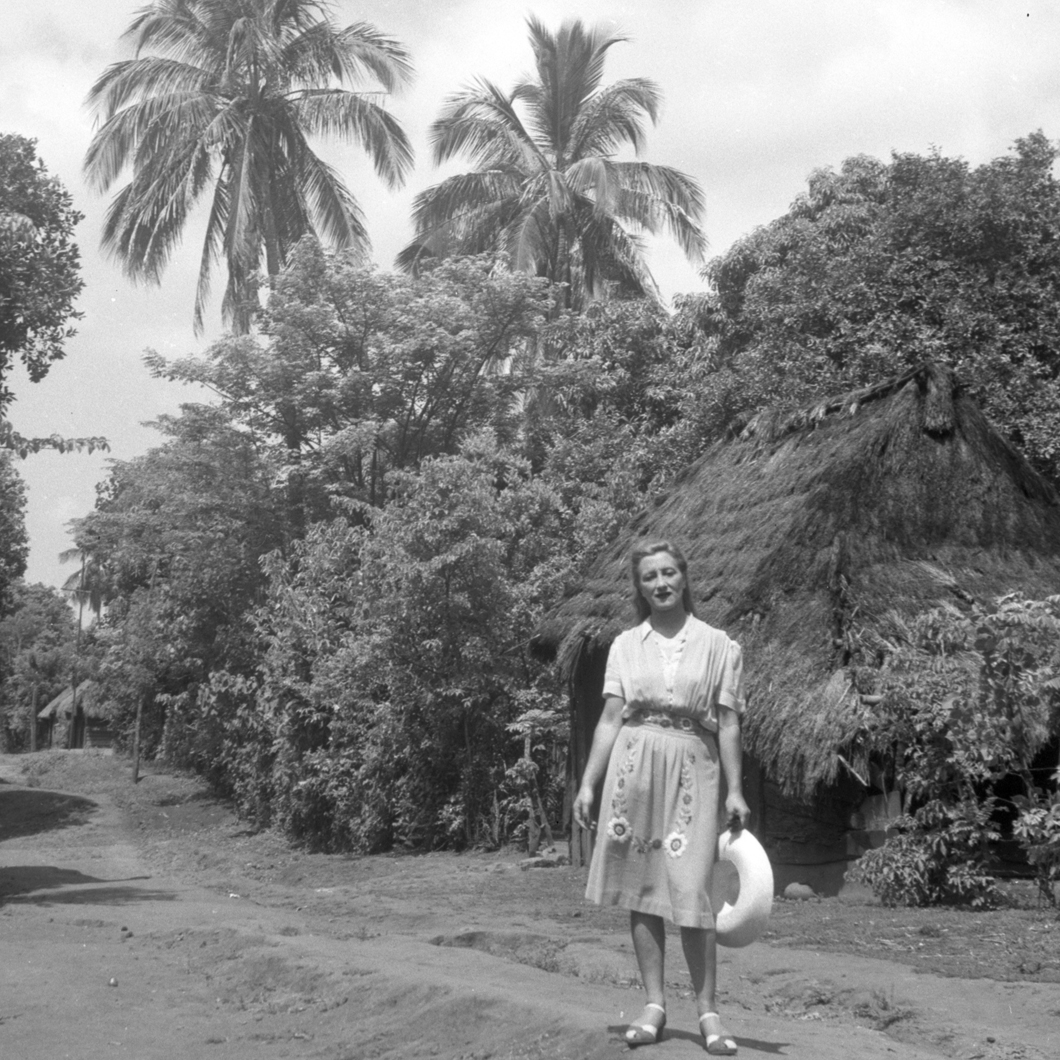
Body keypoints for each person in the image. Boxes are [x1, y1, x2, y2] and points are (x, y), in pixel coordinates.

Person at [573, 540, 750, 1054]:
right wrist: (588, 783)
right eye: (650, 577)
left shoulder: (720, 645)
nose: (661, 583)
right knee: (641, 885)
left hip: (695, 765)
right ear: (640, 586)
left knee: (691, 888)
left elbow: (730, 723)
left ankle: (709, 1013)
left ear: (685, 577)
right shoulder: (626, 645)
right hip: (634, 767)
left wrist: (736, 790)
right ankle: (653, 1004)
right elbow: (610, 718)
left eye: (669, 573)